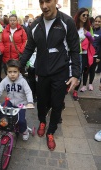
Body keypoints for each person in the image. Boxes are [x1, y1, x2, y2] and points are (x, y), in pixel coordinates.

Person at [20, 0, 80, 151]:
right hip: (41, 72)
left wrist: (76, 75)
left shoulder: (67, 22)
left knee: (57, 104)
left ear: (56, 1)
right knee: (41, 101)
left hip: (61, 73)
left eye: (48, 1)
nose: (44, 6)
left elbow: (74, 49)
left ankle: (51, 131)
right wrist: (17, 67)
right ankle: (42, 121)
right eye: (41, 2)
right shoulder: (35, 25)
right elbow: (28, 49)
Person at [0, 59, 34, 140]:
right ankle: (5, 127)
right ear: (6, 72)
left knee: (21, 120)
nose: (12, 74)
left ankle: (24, 130)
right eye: (10, 72)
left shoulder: (23, 81)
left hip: (21, 104)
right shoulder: (5, 81)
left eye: (15, 72)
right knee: (1, 113)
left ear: (19, 72)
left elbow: (28, 92)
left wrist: (30, 102)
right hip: (10, 102)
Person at [73, 8, 95, 100]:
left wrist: (89, 35)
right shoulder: (73, 27)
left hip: (84, 54)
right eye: (83, 15)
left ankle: (75, 92)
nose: (85, 17)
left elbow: (93, 40)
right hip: (74, 54)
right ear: (79, 15)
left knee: (80, 73)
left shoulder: (88, 28)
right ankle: (67, 87)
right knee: (71, 72)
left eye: (87, 15)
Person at [81, 15, 101, 91]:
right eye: (96, 21)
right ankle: (84, 85)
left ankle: (90, 84)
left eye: (99, 22)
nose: (97, 23)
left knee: (92, 70)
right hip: (87, 54)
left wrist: (99, 57)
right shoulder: (89, 30)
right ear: (93, 22)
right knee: (86, 70)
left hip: (95, 55)